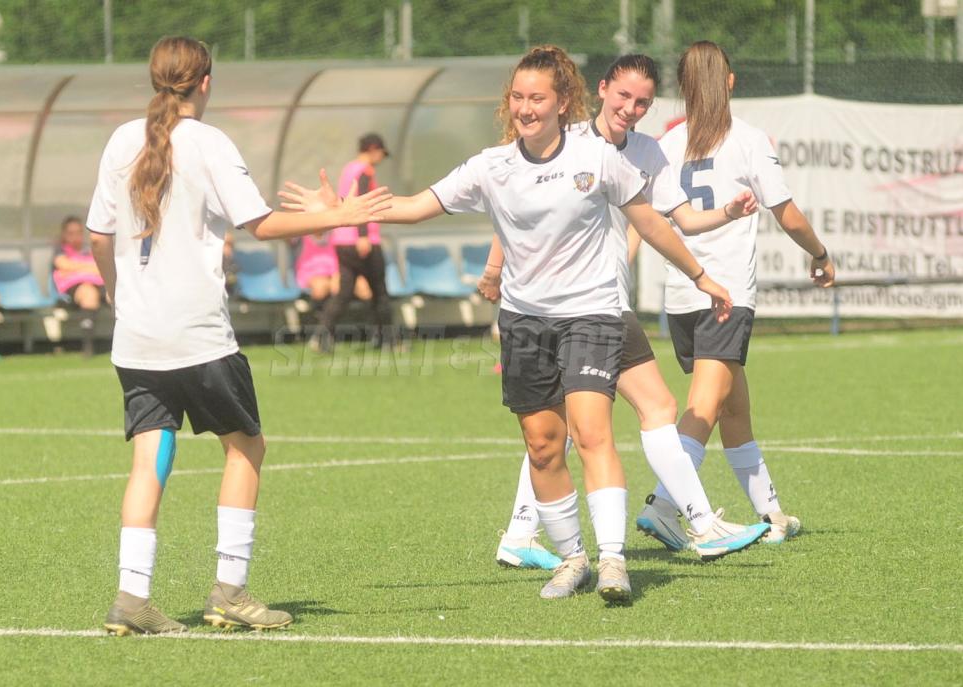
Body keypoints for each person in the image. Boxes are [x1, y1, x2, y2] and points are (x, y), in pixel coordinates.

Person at [282, 45, 735, 605]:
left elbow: (652, 223)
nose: (525, 108)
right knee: (543, 446)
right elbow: (416, 206)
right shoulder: (491, 166)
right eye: (517, 97)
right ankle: (573, 558)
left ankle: (614, 559)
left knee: (591, 432)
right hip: (524, 321)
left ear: (562, 102)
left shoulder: (598, 158)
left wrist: (701, 276)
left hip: (592, 314)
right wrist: (340, 211)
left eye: (536, 98)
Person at [88, 36, 390, 635]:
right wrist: (340, 214)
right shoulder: (209, 142)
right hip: (198, 335)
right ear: (205, 81)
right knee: (245, 447)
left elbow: (100, 236)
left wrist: (118, 293)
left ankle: (131, 598)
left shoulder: (122, 139)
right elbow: (262, 224)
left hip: (138, 338)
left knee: (150, 459)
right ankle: (229, 591)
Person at [483, 54, 769, 571]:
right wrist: (495, 267)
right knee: (636, 411)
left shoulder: (646, 152)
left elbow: (679, 220)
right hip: (582, 308)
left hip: (605, 304)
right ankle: (699, 523)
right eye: (623, 97)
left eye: (642, 102)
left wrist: (727, 213)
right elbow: (514, 199)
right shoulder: (567, 140)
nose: (630, 109)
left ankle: (523, 531)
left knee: (587, 421)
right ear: (601, 90)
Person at [637, 41, 836, 548]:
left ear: (682, 87)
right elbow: (786, 211)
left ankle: (772, 514)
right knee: (704, 408)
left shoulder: (665, 144)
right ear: (729, 81)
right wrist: (819, 252)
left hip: (682, 295)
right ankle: (664, 505)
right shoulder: (747, 139)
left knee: (733, 410)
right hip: (725, 293)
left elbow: (644, 217)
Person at [312, 133, 394, 352]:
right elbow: (362, 202)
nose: (381, 158)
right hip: (363, 240)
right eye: (381, 153)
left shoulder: (348, 169)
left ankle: (321, 336)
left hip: (342, 240)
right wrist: (363, 235)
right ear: (373, 149)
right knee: (379, 291)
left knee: (344, 292)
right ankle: (387, 339)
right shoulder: (365, 170)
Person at [53, 215, 105, 356]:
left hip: (99, 284)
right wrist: (90, 267)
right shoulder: (60, 250)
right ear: (64, 235)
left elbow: (103, 267)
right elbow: (64, 264)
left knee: (115, 294)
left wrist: (76, 267)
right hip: (74, 288)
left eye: (78, 233)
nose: (75, 237)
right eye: (71, 233)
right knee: (89, 294)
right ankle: (88, 347)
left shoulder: (90, 249)